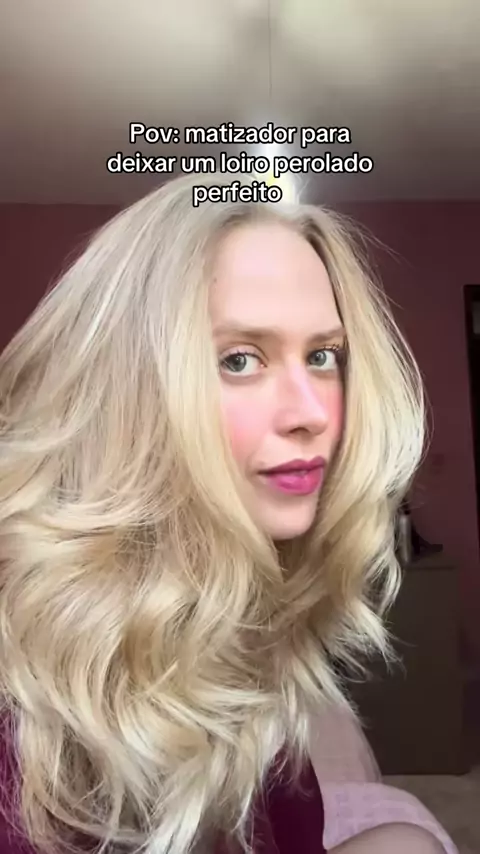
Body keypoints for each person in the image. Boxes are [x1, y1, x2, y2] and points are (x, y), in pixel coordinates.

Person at [0, 172, 444, 853]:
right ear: (125, 390)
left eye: (323, 356)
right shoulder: (28, 703)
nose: (311, 412)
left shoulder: (246, 616)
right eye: (240, 359)